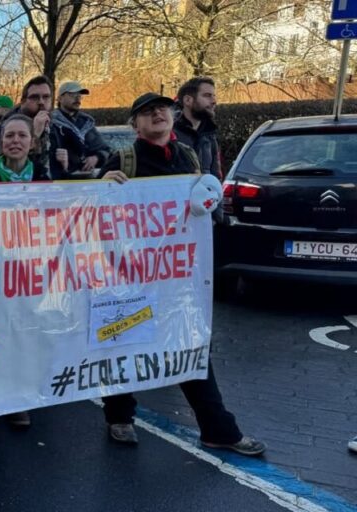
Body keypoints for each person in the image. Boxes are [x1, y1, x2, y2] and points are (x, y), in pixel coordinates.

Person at [98, 92, 266, 457]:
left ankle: (218, 428)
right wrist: (102, 184)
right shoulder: (123, 160)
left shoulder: (188, 157)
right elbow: (95, 213)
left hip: (177, 279)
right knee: (123, 345)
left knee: (189, 348)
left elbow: (202, 208)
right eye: (147, 111)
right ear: (135, 125)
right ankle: (119, 416)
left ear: (173, 116)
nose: (157, 114)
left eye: (162, 108)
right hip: (131, 278)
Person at [0, 75, 56, 184]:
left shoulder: (54, 126)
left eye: (46, 97)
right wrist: (35, 134)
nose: (41, 102)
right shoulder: (5, 127)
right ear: (23, 101)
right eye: (35, 97)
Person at [50, 81, 110, 180]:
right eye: (72, 94)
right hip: (60, 180)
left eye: (79, 95)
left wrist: (96, 158)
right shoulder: (51, 122)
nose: (77, 98)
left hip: (87, 179)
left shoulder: (86, 123)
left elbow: (106, 150)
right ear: (60, 98)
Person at [0, 114, 49, 183]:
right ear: (2, 142)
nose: (15, 140)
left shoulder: (42, 179)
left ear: (32, 143)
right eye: (9, 135)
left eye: (22, 135)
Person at [174, 77, 221, 179]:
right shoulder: (169, 133)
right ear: (188, 100)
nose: (214, 101)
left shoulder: (210, 134)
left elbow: (215, 176)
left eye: (214, 96)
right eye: (207, 96)